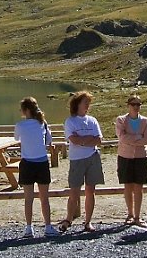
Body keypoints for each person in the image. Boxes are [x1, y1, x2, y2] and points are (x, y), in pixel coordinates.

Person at [58, 91, 104, 233]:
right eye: (85, 102)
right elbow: (73, 139)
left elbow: (99, 140)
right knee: (74, 192)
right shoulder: (70, 121)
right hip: (77, 159)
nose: (87, 105)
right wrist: (88, 140)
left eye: (88, 103)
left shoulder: (93, 120)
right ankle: (68, 219)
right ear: (77, 104)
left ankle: (88, 221)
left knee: (91, 191)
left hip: (92, 157)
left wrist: (83, 141)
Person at [14, 97, 59, 237]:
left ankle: (29, 228)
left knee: (28, 198)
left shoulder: (20, 125)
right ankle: (48, 226)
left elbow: (16, 138)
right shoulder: (43, 123)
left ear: (26, 110)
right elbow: (48, 140)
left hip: (27, 163)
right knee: (44, 198)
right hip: (42, 162)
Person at [114, 95, 147, 228]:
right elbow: (122, 137)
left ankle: (137, 215)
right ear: (128, 105)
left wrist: (133, 139)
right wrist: (138, 137)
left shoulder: (146, 121)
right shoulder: (121, 120)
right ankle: (129, 214)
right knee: (128, 186)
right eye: (133, 104)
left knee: (139, 186)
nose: (136, 107)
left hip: (141, 157)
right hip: (125, 156)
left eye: (138, 104)